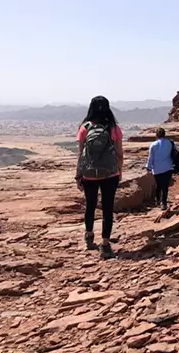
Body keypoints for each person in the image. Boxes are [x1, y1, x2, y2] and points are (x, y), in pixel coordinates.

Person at [76, 96, 124, 259]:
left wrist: (78, 175)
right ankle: (105, 244)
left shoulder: (85, 127)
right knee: (107, 209)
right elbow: (119, 154)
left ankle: (89, 236)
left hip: (89, 173)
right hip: (110, 173)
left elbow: (81, 154)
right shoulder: (114, 128)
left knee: (90, 204)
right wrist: (120, 171)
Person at [146, 128, 174, 210]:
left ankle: (158, 200)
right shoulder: (170, 143)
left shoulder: (153, 144)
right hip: (168, 167)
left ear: (156, 135)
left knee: (158, 185)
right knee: (165, 186)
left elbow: (150, 157)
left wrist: (148, 168)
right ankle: (164, 203)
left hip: (157, 169)